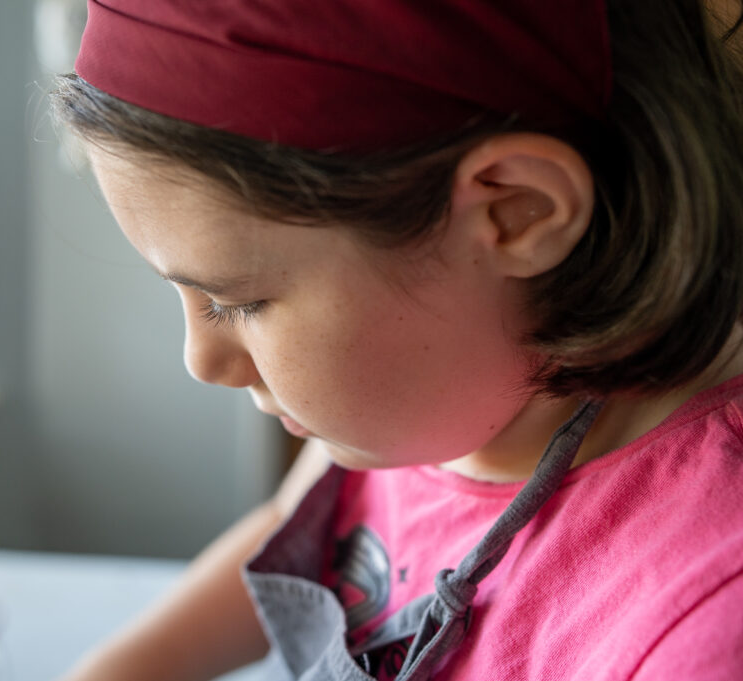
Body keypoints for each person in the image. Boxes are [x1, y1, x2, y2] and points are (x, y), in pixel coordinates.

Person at [52, 1, 743, 679]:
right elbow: (285, 526)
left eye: (241, 300)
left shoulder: (703, 614)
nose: (200, 361)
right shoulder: (405, 404)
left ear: (515, 210)